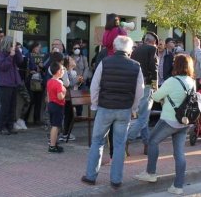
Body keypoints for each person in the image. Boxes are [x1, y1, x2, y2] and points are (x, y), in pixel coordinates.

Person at [81, 36, 144, 188]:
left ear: (115, 47)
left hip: (105, 107)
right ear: (129, 49)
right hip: (124, 109)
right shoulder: (136, 66)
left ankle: (91, 176)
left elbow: (94, 86)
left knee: (97, 142)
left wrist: (95, 104)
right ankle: (116, 180)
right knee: (119, 144)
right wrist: (133, 108)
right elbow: (139, 92)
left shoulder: (105, 62)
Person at [134, 54, 195, 195]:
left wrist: (157, 92)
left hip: (169, 120)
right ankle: (178, 186)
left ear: (177, 65)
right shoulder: (191, 81)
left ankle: (151, 173)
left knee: (152, 141)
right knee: (179, 153)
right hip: (183, 122)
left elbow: (156, 97)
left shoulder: (171, 81)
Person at [126, 32, 159, 156]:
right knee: (143, 117)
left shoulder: (136, 50)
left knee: (144, 116)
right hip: (147, 85)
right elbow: (154, 68)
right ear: (153, 42)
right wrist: (155, 87)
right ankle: (126, 139)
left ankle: (147, 144)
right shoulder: (152, 49)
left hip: (135, 85)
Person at [0, 36, 23, 135]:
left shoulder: (13, 53)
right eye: (12, 45)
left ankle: (10, 126)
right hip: (5, 83)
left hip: (14, 83)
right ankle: (1, 127)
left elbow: (20, 61)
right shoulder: (0, 54)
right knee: (5, 106)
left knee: (12, 106)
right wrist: (10, 56)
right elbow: (3, 67)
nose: (13, 47)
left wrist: (17, 51)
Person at [22, 42, 44, 125]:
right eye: (39, 47)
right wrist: (31, 70)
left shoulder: (42, 56)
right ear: (34, 48)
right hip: (30, 80)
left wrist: (42, 67)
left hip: (40, 80)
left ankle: (37, 119)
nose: (40, 49)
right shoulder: (28, 55)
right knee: (30, 100)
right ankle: (25, 119)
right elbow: (25, 67)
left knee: (38, 100)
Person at [46, 61, 66, 153]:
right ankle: (52, 146)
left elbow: (48, 95)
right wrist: (64, 93)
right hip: (57, 105)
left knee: (54, 125)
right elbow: (60, 97)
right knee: (56, 126)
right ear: (58, 71)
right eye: (62, 69)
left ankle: (53, 143)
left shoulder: (49, 81)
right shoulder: (59, 83)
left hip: (51, 104)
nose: (63, 71)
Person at [70, 42, 88, 116]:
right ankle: (71, 116)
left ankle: (79, 115)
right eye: (75, 48)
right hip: (73, 81)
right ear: (72, 49)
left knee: (80, 99)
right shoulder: (70, 58)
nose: (77, 49)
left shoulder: (84, 58)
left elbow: (86, 68)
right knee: (72, 99)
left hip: (82, 81)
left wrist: (83, 78)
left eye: (78, 48)